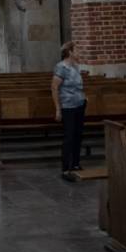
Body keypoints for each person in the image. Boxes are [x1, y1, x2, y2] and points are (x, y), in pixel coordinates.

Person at [51, 40, 86, 180]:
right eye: (77, 50)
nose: (80, 52)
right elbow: (54, 88)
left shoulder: (76, 66)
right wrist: (58, 109)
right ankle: (65, 169)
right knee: (69, 137)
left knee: (78, 135)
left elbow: (78, 86)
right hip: (68, 106)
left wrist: (84, 97)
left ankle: (76, 164)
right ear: (70, 52)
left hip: (80, 104)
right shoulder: (61, 67)